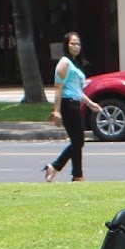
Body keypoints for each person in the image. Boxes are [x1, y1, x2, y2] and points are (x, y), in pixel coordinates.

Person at [44, 32, 102, 183]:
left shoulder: (74, 63)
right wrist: (56, 110)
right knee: (78, 141)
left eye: (78, 44)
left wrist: (90, 103)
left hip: (74, 103)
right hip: (67, 104)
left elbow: (77, 90)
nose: (76, 47)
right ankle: (77, 175)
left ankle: (58, 168)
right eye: (72, 44)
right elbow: (58, 87)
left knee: (78, 141)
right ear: (66, 45)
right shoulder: (64, 63)